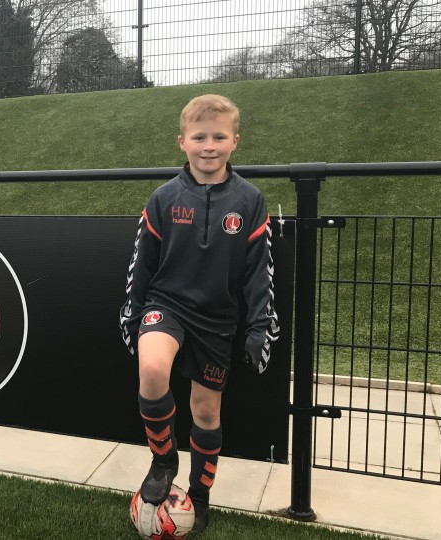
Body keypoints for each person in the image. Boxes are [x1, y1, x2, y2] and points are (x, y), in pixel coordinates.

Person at [118, 94, 279, 536]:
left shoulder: (249, 200)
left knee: (206, 412)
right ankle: (163, 459)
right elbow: (142, 262)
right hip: (165, 304)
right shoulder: (164, 197)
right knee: (151, 368)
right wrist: (133, 313)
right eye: (199, 137)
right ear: (182, 143)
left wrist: (261, 326)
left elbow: (258, 274)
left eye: (219, 137)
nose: (209, 145)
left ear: (235, 142)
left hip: (217, 320)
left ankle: (199, 496)